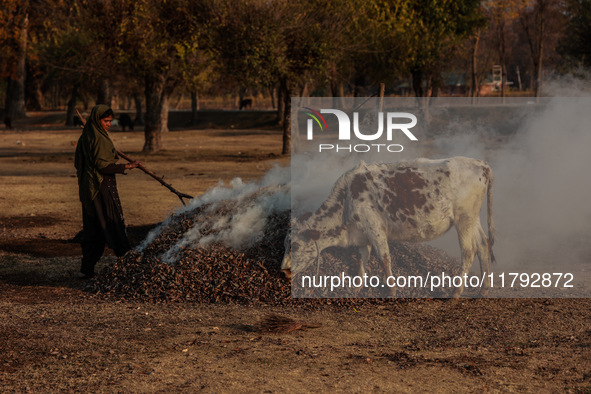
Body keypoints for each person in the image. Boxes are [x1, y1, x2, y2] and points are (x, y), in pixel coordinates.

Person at [74, 105, 140, 279]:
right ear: (97, 120)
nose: (109, 124)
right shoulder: (99, 139)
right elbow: (103, 166)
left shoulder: (87, 135)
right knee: (113, 224)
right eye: (106, 121)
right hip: (102, 187)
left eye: (110, 121)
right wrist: (128, 166)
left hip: (89, 189)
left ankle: (86, 270)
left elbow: (79, 162)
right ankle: (132, 268)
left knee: (94, 229)